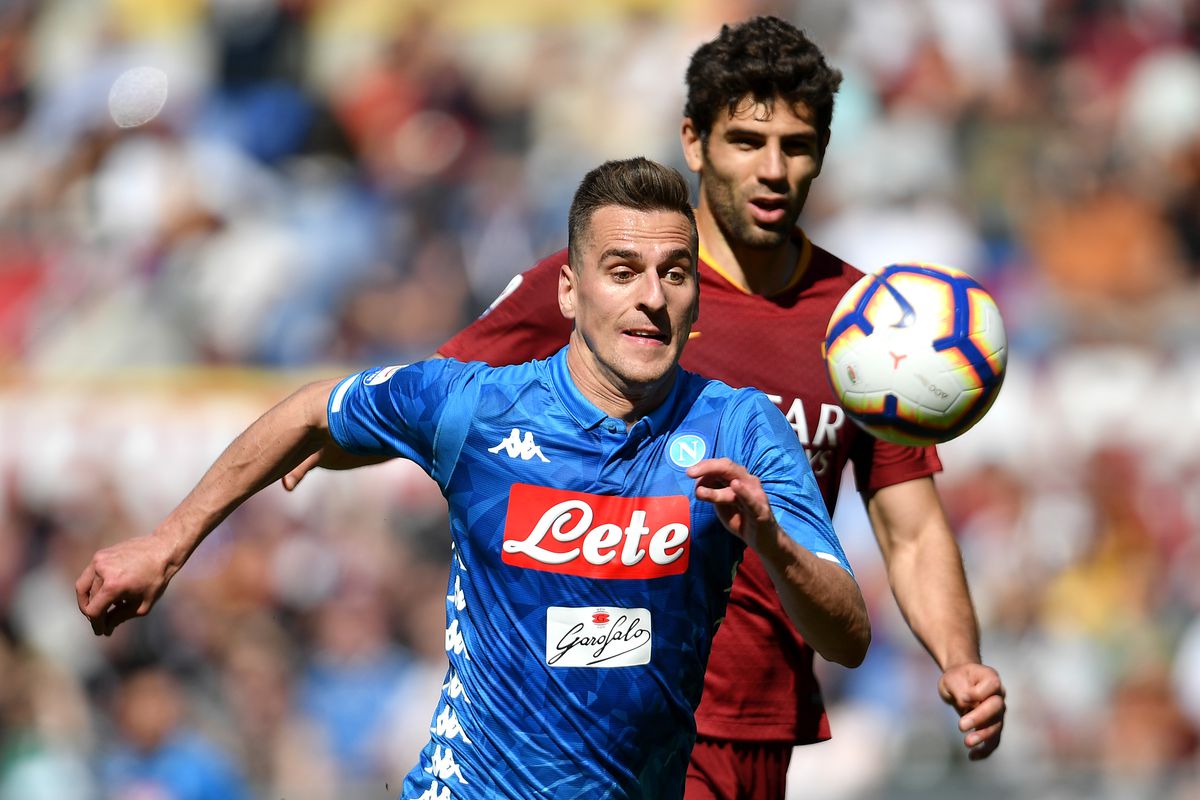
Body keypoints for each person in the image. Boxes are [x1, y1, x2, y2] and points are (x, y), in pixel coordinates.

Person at [287, 16, 1007, 798]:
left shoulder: (865, 332)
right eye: (747, 142)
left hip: (762, 723)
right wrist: (319, 440)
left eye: (796, 147)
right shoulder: (606, 281)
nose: (772, 170)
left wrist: (958, 659)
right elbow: (434, 403)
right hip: (621, 715)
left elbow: (910, 527)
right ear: (694, 142)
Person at [76, 157, 870, 800]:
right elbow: (312, 410)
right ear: (570, 291)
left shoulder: (740, 428)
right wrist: (166, 544)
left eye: (674, 273)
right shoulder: (478, 407)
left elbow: (847, 637)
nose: (650, 298)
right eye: (622, 270)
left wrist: (772, 542)